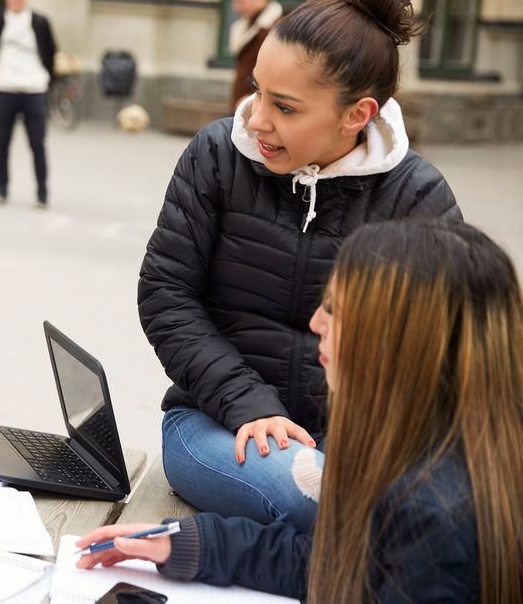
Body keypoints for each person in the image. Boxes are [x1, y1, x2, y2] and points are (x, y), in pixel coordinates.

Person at [142, 0, 461, 534]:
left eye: (285, 107)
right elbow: (166, 294)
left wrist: (361, 439)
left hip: (360, 440)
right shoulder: (216, 155)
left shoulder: (417, 195)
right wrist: (248, 402)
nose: (257, 119)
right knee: (310, 494)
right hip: (217, 425)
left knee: (392, 503)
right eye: (257, 91)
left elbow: (448, 345)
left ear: (357, 114)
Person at [77, 219, 523, 603]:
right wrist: (191, 544)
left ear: (396, 343)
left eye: (335, 310)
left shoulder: (429, 515)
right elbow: (330, 565)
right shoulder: (442, 458)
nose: (315, 324)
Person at [0, 0, 57, 207]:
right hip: (5, 88)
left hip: (34, 88)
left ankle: (42, 193)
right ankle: (2, 189)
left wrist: (47, 81)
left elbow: (51, 51)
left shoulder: (40, 22)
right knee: (3, 142)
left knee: (37, 143)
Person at [228, 0, 282, 110]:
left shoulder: (277, 28)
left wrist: (252, 97)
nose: (235, 7)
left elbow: (277, 73)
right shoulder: (246, 25)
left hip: (257, 108)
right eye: (234, 1)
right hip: (244, 107)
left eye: (240, 0)